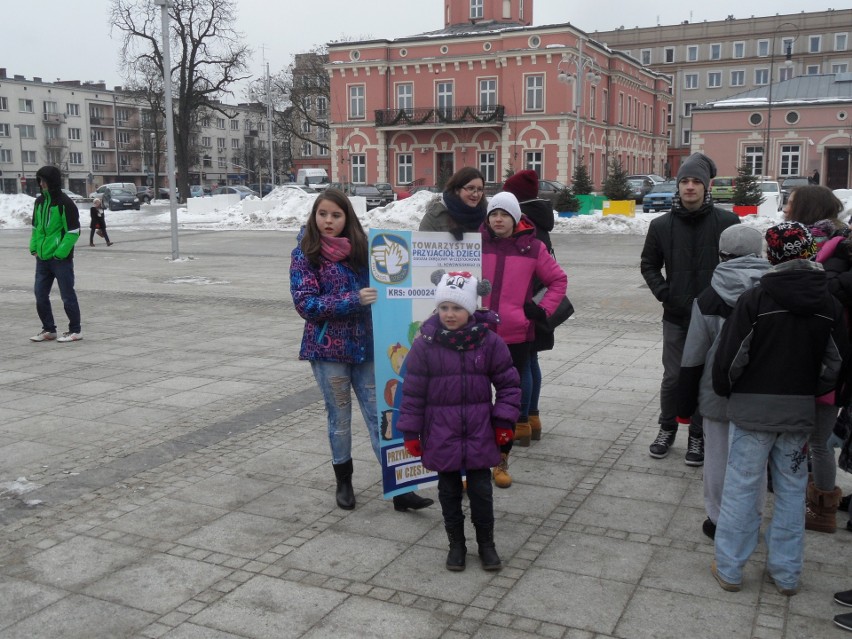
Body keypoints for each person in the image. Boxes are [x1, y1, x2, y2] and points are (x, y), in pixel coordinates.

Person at [711, 222, 848, 595]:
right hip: (798, 413)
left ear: (770, 256)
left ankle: (730, 568)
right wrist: (810, 390)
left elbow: (731, 358)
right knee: (790, 492)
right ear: (809, 252)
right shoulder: (829, 304)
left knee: (742, 487)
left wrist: (727, 390)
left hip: (753, 410)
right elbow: (836, 363)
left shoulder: (755, 299)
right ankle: (786, 573)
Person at [290, 188, 433, 512]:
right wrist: (352, 300)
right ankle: (344, 481)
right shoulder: (306, 252)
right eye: (323, 214)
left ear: (347, 218)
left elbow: (391, 280)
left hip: (367, 348)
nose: (328, 221)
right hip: (328, 352)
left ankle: (400, 488)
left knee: (381, 416)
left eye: (336, 215)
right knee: (340, 419)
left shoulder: (364, 249)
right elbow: (305, 303)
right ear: (315, 216)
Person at [397, 270, 520, 571]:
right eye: (444, 307)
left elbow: (509, 386)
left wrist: (503, 421)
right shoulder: (425, 344)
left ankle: (487, 544)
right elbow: (412, 391)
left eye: (457, 308)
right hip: (441, 432)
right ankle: (456, 545)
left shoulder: (489, 343)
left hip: (479, 431)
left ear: (471, 309)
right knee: (449, 492)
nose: (450, 314)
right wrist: (411, 431)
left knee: (481, 492)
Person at [640, 153, 740, 464]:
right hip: (677, 316)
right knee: (673, 377)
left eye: (696, 181)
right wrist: (666, 294)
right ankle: (667, 428)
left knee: (707, 377)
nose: (690, 187)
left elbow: (738, 267)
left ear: (706, 186)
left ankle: (698, 435)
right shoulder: (661, 225)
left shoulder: (727, 222)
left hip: (715, 317)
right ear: (678, 186)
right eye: (685, 181)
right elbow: (649, 265)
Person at [675, 225, 770, 540]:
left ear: (721, 255)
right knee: (754, 465)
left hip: (717, 395)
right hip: (760, 396)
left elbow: (692, 358)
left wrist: (685, 406)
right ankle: (750, 522)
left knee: (717, 460)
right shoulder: (771, 293)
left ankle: (717, 520)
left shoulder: (708, 298)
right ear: (759, 254)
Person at [480, 191, 567, 488]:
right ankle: (474, 465)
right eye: (493, 214)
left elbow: (558, 280)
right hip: (478, 337)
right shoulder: (474, 244)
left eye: (504, 214)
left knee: (507, 405)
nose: (498, 219)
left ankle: (501, 461)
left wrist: (541, 309)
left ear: (516, 217)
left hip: (516, 336)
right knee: (475, 403)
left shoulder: (533, 247)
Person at [784, 185, 850, 533]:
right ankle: (808, 495)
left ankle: (823, 507)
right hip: (811, 356)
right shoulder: (824, 242)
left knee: (820, 441)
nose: (785, 207)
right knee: (809, 437)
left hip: (827, 360)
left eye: (791, 202)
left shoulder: (834, 250)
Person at [502, 170, 555, 442]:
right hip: (535, 302)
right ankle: (532, 417)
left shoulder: (525, 223)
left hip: (524, 303)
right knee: (531, 361)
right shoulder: (541, 220)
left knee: (521, 364)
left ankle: (521, 422)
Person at [29, 165, 83, 343]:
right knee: (40, 294)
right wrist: (34, 248)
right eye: (40, 181)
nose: (41, 184)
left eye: (44, 180)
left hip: (60, 260)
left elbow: (73, 231)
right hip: (42, 259)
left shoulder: (65, 203)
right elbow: (36, 229)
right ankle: (49, 329)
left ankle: (75, 330)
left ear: (51, 181)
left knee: (67, 295)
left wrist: (60, 253)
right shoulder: (39, 202)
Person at [418, 167, 488, 240]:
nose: (475, 194)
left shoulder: (489, 216)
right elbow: (422, 247)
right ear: (457, 190)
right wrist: (449, 240)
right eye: (470, 188)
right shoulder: (434, 217)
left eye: (480, 189)